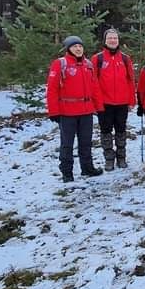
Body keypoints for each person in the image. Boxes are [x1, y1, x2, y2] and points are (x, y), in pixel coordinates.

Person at [47, 35, 105, 182]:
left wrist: (99, 108)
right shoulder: (60, 64)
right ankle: (67, 172)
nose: (78, 49)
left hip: (86, 111)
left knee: (86, 142)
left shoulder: (88, 65)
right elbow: (52, 89)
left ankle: (87, 168)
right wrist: (53, 111)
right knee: (67, 144)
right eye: (74, 47)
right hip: (67, 112)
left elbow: (95, 88)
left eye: (80, 46)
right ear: (68, 49)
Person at [92, 28, 136, 170]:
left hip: (122, 102)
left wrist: (132, 100)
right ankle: (109, 159)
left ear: (118, 40)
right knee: (105, 131)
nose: (113, 40)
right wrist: (96, 103)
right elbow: (93, 81)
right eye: (110, 38)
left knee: (121, 131)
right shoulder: (97, 59)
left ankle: (121, 158)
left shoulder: (125, 58)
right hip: (105, 103)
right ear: (105, 40)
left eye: (115, 38)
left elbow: (130, 80)